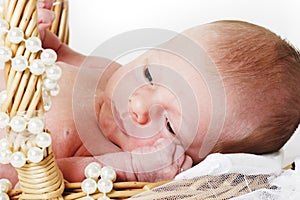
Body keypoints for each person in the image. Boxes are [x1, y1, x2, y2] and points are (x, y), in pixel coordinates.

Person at [1, 1, 300, 186]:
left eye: (169, 125)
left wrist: (133, 170)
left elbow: (49, 178)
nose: (139, 104)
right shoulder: (107, 71)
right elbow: (55, 53)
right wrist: (35, 36)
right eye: (149, 74)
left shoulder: (112, 156)